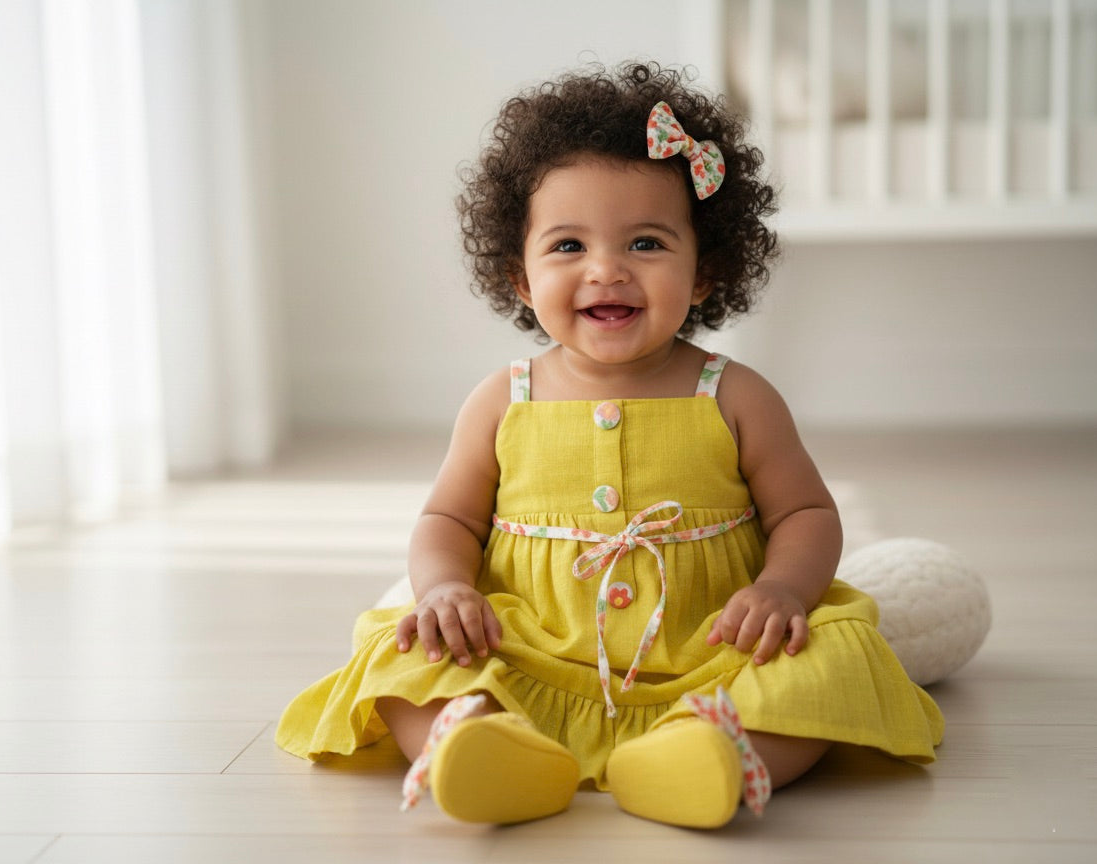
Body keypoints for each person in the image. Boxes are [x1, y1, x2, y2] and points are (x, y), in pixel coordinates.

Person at [276, 61, 943, 829]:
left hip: (710, 647)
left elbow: (805, 513)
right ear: (520, 279)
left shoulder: (736, 396)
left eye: (646, 242)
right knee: (400, 650)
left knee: (836, 650)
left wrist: (783, 591)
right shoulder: (501, 401)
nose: (606, 270)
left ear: (704, 273)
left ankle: (706, 756)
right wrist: (445, 590)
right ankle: (481, 747)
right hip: (533, 646)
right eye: (568, 245)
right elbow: (447, 520)